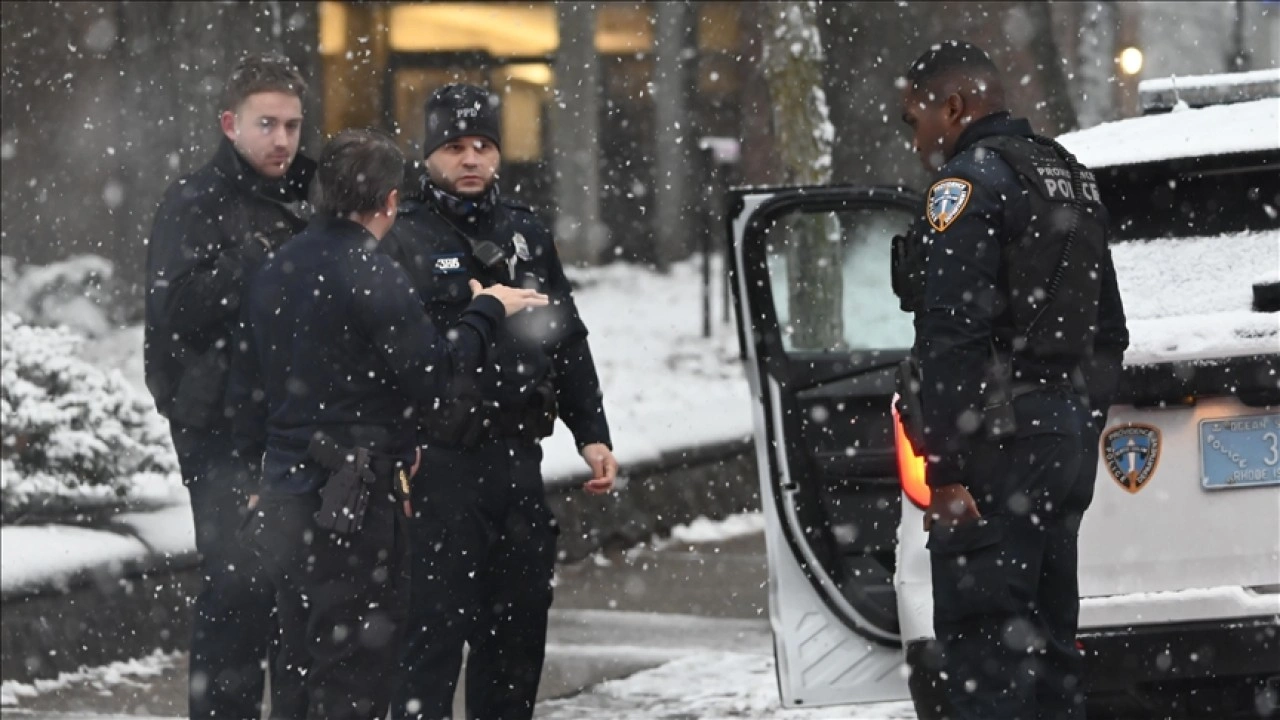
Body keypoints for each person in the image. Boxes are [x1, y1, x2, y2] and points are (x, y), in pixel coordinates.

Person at [227, 127, 549, 720]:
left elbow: (247, 385)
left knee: (297, 658)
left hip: (285, 494)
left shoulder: (276, 268)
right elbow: (433, 376)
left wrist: (257, 469)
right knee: (354, 670)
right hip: (353, 498)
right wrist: (486, 310)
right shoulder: (369, 272)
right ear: (391, 203)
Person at [892, 42, 1128, 720]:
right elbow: (1108, 333)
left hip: (995, 448)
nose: (919, 140)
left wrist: (948, 470)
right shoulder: (1069, 175)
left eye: (917, 120)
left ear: (955, 106)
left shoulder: (963, 187)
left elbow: (952, 338)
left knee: (982, 663)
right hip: (1059, 445)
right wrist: (1074, 423)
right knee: (1052, 653)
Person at [380, 83, 618, 720]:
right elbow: (393, 357)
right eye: (454, 146)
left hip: (516, 461)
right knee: (428, 642)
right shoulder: (401, 239)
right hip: (438, 467)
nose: (470, 160)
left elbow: (566, 339)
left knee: (515, 641)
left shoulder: (524, 234)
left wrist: (591, 432)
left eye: (483, 145)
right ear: (427, 155)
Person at [143, 53, 314, 719]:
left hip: (295, 421)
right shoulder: (194, 202)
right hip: (218, 428)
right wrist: (255, 255)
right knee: (237, 593)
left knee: (295, 597)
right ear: (229, 124)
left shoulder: (310, 193)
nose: (281, 140)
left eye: (292, 126)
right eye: (266, 124)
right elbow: (174, 311)